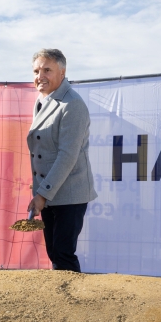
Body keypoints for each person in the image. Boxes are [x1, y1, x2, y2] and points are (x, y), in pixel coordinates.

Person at [27, 49, 97, 272]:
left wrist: (42, 194)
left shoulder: (72, 105)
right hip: (49, 193)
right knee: (54, 253)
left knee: (63, 254)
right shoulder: (42, 101)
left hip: (69, 194)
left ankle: (73, 303)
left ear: (62, 72)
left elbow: (67, 156)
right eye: (37, 71)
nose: (40, 76)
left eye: (47, 70)